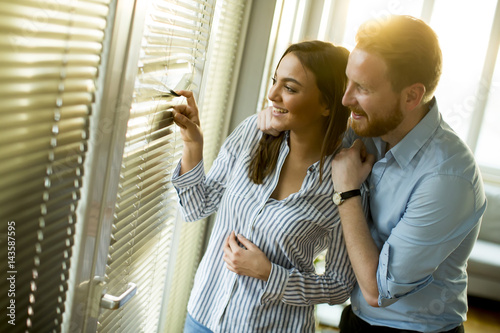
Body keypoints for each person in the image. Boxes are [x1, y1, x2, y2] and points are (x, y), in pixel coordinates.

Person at [259, 15, 487, 333]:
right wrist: (276, 119)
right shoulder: (368, 129)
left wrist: (347, 193)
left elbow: (378, 291)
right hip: (355, 319)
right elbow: (312, 127)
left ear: (411, 96)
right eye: (348, 81)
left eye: (362, 88)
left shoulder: (447, 179)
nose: (345, 98)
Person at [170, 40, 368, 332]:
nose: (272, 94)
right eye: (275, 81)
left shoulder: (344, 182)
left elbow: (339, 285)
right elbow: (195, 206)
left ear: (327, 103)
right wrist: (193, 144)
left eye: (290, 88)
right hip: (204, 316)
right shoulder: (253, 132)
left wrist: (270, 274)